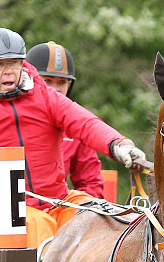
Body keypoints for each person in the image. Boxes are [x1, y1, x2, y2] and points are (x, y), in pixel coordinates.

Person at [0, 27, 145, 247]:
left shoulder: (43, 95)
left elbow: (85, 123)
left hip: (58, 199)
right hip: (7, 209)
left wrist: (118, 144)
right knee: (40, 229)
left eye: (15, 63)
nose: (9, 71)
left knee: (100, 217)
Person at [26, 41, 105, 199]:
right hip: (11, 211)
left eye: (62, 82)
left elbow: (90, 182)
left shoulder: (78, 125)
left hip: (58, 210)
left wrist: (79, 215)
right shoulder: (10, 115)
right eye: (47, 81)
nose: (56, 89)